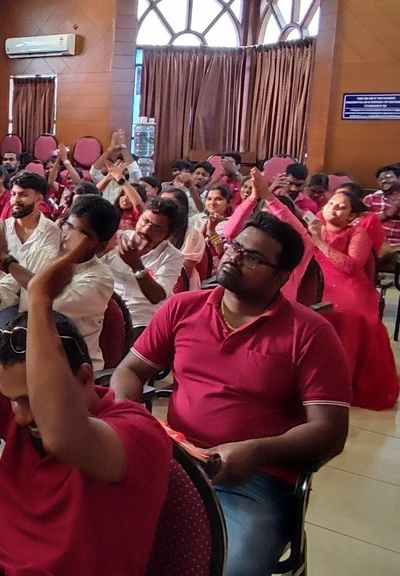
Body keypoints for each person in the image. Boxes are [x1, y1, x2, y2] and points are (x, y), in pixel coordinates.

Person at [0, 221, 173, 575]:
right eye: (15, 399)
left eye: (30, 398)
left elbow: (62, 436)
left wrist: (41, 300)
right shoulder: (18, 415)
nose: (23, 415)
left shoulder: (138, 432)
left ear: (86, 378)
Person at [110, 212, 352, 576]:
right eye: (235, 247)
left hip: (254, 481)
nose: (233, 257)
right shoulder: (184, 308)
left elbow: (330, 431)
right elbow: (129, 369)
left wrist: (256, 451)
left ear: (281, 278)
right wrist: (135, 423)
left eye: (251, 257)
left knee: (230, 565)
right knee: (100, 538)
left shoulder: (311, 333)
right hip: (172, 463)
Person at [0, 194, 118, 369]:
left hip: (73, 369)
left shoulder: (100, 278)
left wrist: (8, 263)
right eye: (68, 225)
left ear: (101, 246)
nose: (68, 235)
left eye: (81, 233)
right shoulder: (42, 254)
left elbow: (50, 305)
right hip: (27, 360)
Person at [309, 192, 400, 410]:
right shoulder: (312, 225)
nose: (333, 209)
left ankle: (340, 383)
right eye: (330, 203)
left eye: (341, 207)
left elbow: (351, 266)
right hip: (316, 277)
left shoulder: (356, 232)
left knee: (349, 313)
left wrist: (319, 242)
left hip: (348, 281)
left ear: (352, 216)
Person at [0, 172, 63, 327]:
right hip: (3, 300)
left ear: (38, 200)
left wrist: (6, 262)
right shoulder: (0, 229)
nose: (15, 200)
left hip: (36, 302)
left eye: (23, 195)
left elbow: (42, 276)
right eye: (14, 194)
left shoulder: (51, 232)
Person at [223, 169, 313, 302]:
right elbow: (229, 234)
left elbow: (302, 235)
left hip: (277, 310)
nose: (269, 222)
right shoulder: (251, 237)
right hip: (235, 301)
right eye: (265, 215)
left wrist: (269, 198)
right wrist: (253, 197)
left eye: (275, 218)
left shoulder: (296, 247)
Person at [103, 198, 185, 331]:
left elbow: (156, 297)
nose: (146, 230)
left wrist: (136, 266)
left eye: (157, 228)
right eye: (145, 221)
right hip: (104, 310)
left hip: (140, 321)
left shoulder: (173, 256)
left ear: (167, 235)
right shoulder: (118, 239)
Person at [160, 187, 206, 291]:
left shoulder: (193, 234)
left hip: (182, 284)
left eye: (170, 203)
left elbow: (184, 271)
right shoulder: (154, 230)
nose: (165, 208)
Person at [90, 131, 141, 203]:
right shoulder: (107, 180)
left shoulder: (133, 182)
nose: (121, 167)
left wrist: (123, 146)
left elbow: (134, 169)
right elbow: (94, 172)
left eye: (125, 165)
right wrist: (110, 148)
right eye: (119, 164)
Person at [201, 184, 233, 278]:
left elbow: (224, 253)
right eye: (209, 199)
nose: (212, 203)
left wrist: (212, 232)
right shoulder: (196, 219)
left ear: (228, 202)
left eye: (218, 199)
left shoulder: (231, 223)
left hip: (217, 272)